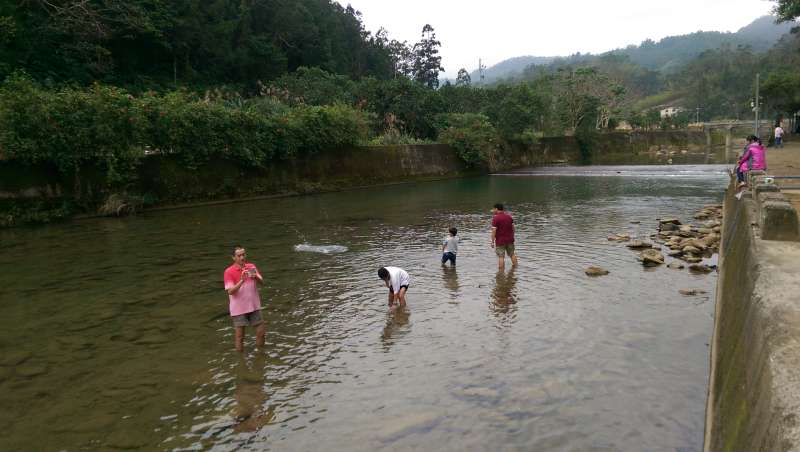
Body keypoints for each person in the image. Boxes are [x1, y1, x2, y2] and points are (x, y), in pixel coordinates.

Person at [224, 246, 265, 352]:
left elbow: (262, 282)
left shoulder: (251, 266)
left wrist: (255, 276)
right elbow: (230, 291)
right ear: (233, 257)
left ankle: (261, 356)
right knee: (240, 337)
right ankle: (241, 360)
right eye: (239, 255)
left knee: (261, 333)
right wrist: (242, 280)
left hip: (254, 306)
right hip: (239, 309)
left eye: (243, 254)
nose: (242, 257)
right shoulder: (229, 271)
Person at [491, 203, 518, 270]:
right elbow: (513, 229)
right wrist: (511, 236)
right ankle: (516, 269)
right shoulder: (509, 217)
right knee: (512, 254)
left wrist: (492, 241)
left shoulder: (496, 218)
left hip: (500, 241)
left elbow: (494, 231)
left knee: (501, 257)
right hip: (510, 240)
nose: (493, 211)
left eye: (494, 209)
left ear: (496, 209)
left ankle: (501, 273)